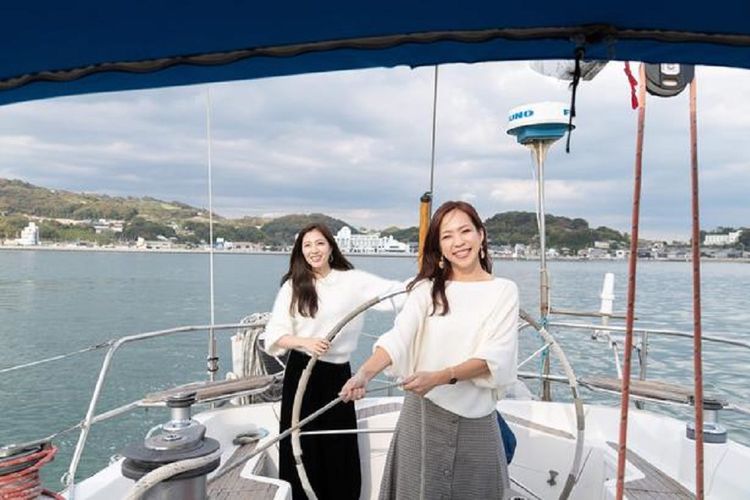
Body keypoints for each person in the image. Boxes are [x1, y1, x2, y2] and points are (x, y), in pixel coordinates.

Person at [340, 201, 519, 500]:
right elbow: (398, 337)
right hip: (421, 418)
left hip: (477, 422)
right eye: (447, 235)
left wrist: (441, 376)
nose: (458, 242)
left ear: (481, 235)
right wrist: (364, 373)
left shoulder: (503, 291)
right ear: (439, 245)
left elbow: (495, 357)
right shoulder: (425, 289)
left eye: (465, 231)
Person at [263, 222, 405, 500]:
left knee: (339, 444)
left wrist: (432, 282)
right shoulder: (294, 285)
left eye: (319, 243)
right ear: (300, 251)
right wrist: (306, 342)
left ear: (331, 247)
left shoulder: (351, 281)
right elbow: (275, 334)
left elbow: (395, 294)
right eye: (307, 245)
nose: (313, 250)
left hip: (339, 374)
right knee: (300, 445)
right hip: (302, 373)